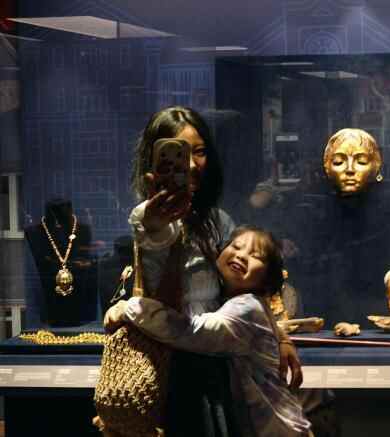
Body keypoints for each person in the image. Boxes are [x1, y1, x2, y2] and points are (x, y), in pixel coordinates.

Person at [121, 106, 302, 436]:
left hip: (213, 360)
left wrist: (279, 335)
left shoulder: (217, 220)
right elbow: (156, 269)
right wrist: (157, 224)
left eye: (200, 151)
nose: (191, 164)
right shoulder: (147, 217)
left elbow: (245, 290)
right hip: (165, 361)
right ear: (155, 158)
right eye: (178, 153)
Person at [109, 226, 313, 437]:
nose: (241, 255)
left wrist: (130, 308)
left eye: (256, 256)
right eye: (236, 247)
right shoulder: (239, 303)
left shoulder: (248, 308)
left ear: (268, 279)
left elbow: (190, 331)